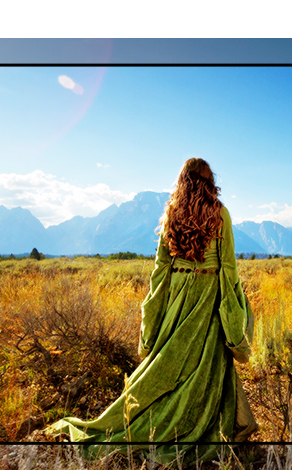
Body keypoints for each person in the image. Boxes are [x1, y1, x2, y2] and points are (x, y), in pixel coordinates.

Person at [45, 158, 258, 462]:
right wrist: (235, 310)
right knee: (205, 368)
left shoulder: (172, 214)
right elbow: (228, 268)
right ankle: (195, 425)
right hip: (208, 298)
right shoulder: (221, 215)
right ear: (211, 181)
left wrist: (155, 314)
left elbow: (161, 271)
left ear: (182, 181)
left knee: (167, 364)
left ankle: (147, 422)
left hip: (178, 298)